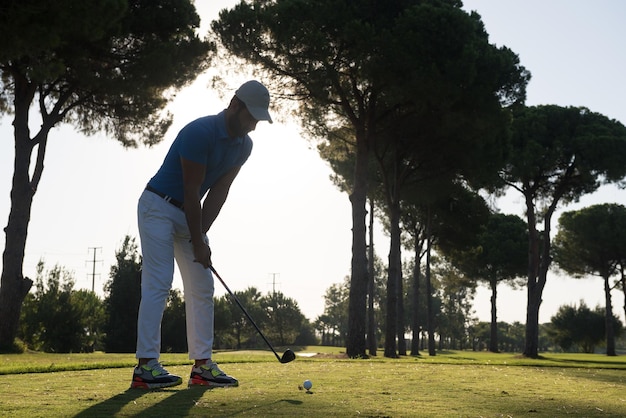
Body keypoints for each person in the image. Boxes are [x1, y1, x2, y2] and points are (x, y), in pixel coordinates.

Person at [131, 80, 273, 389]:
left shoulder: (245, 146)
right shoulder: (199, 132)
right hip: (158, 205)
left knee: (202, 285)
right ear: (235, 105)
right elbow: (192, 190)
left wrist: (201, 238)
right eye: (251, 117)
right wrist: (197, 241)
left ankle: (202, 367)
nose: (253, 126)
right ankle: (145, 367)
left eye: (258, 120)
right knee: (159, 281)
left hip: (189, 214)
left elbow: (219, 191)